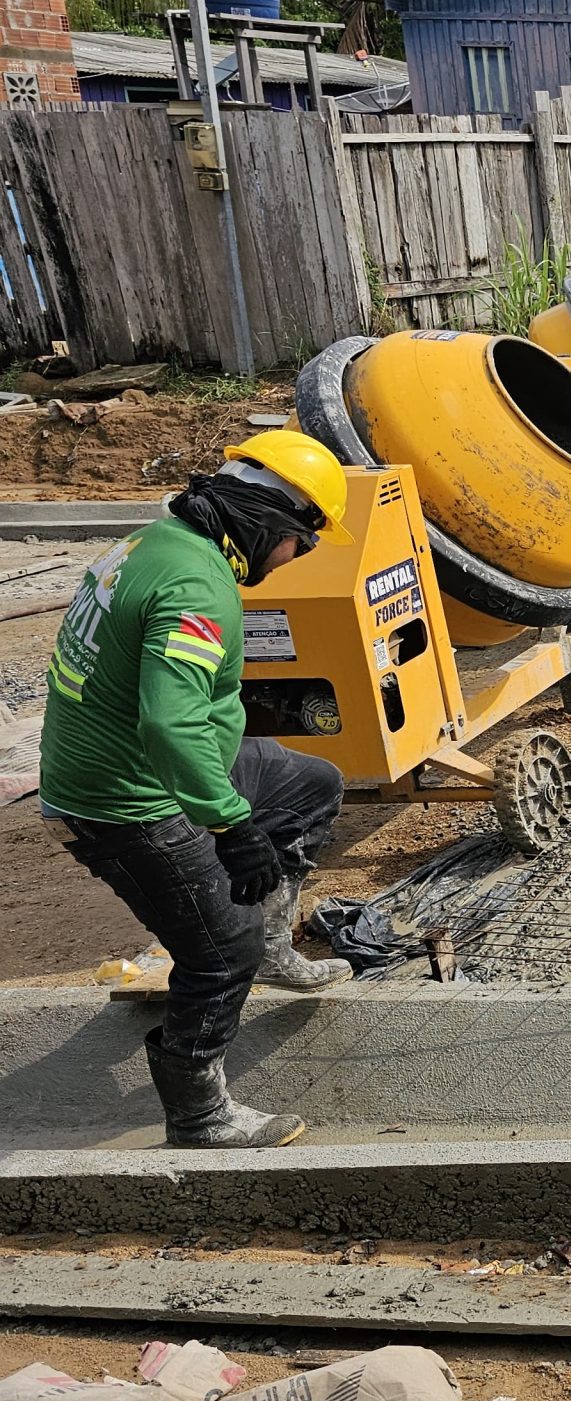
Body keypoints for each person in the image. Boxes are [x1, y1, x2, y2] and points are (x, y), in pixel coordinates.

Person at [38, 431, 356, 1149]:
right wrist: (231, 825)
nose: (298, 558)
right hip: (124, 799)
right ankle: (198, 1110)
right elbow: (170, 724)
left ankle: (273, 946)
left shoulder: (161, 540)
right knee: (219, 951)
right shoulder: (196, 584)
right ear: (267, 521)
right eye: (301, 541)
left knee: (309, 785)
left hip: (154, 766)